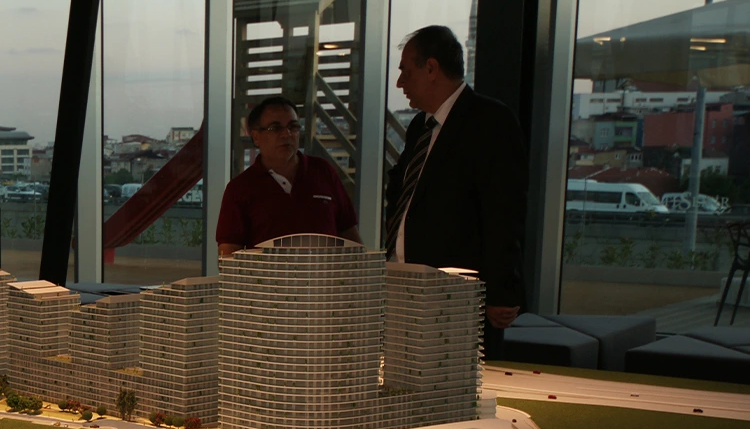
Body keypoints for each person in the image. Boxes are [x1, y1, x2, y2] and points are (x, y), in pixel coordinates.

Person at [384, 25, 527, 348]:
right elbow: (404, 192)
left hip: (457, 294)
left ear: (431, 68)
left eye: (406, 71)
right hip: (405, 285)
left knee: (453, 376)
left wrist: (501, 290)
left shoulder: (490, 121)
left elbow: (504, 210)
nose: (400, 82)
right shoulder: (420, 125)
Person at [215, 95, 361, 256]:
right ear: (256, 137)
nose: (286, 134)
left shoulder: (323, 171)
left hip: (325, 272)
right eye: (275, 128)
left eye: (293, 126)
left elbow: (350, 233)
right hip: (267, 273)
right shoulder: (240, 188)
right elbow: (228, 252)